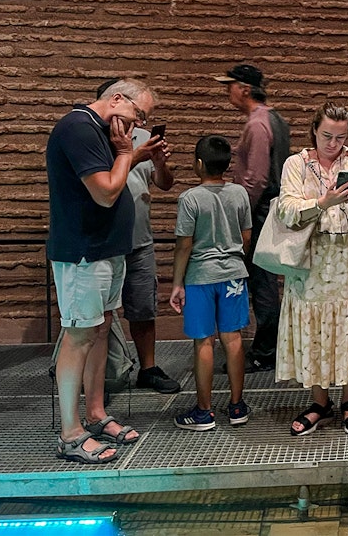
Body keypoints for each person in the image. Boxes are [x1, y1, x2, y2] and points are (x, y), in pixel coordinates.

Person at [46, 78, 155, 463]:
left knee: (101, 328)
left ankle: (95, 413)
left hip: (107, 250)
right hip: (83, 252)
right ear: (117, 99)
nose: (139, 124)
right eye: (138, 114)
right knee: (77, 335)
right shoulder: (78, 127)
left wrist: (131, 155)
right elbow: (106, 191)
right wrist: (126, 152)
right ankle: (70, 434)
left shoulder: (100, 131)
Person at [275, 102, 348, 436]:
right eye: (327, 135)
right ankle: (319, 402)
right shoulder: (296, 164)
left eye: (340, 137)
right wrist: (324, 202)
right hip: (311, 265)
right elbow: (286, 210)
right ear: (314, 130)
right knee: (315, 329)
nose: (333, 143)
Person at [90, 80, 181, 394]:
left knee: (143, 308)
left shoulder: (143, 137)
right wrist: (133, 155)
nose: (136, 120)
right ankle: (92, 373)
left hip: (140, 240)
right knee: (96, 314)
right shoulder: (94, 138)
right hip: (103, 240)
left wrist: (158, 162)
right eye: (134, 111)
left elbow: (166, 184)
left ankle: (148, 368)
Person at [169, 135, 253, 431]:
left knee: (204, 341)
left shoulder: (190, 199)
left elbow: (184, 246)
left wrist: (177, 283)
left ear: (199, 164)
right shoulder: (239, 194)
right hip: (233, 276)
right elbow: (246, 238)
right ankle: (237, 406)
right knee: (234, 339)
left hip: (200, 279)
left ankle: (204, 411)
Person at [215, 64, 291, 373]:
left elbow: (256, 179)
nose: (227, 90)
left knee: (261, 282)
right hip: (269, 208)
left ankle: (265, 351)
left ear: (245, 89)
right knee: (266, 280)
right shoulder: (276, 120)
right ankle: (269, 347)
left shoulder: (258, 125)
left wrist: (239, 216)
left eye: (230, 85)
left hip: (258, 212)